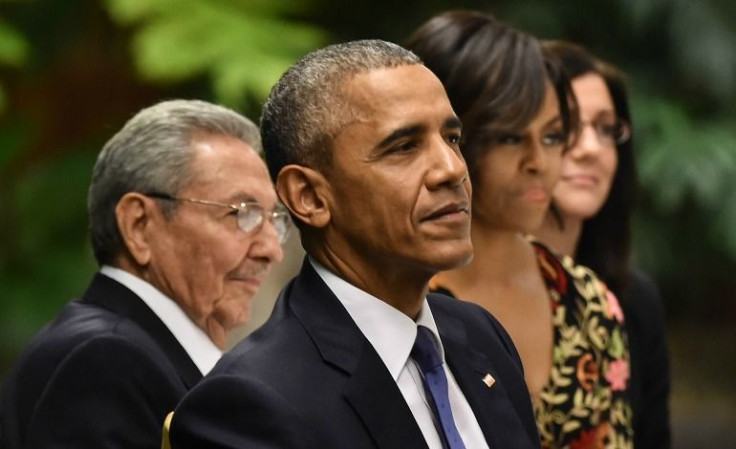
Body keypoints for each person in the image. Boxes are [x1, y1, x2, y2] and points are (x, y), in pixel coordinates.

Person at [169, 39, 542, 449]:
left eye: (452, 139)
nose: (452, 170)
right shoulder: (248, 404)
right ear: (309, 197)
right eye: (403, 147)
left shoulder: (479, 335)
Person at [0, 99, 288, 448]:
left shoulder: (135, 354)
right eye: (242, 213)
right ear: (139, 225)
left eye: (274, 220)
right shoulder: (106, 362)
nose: (272, 250)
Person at [406, 11, 633, 448]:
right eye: (510, 137)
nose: (538, 162)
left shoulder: (588, 303)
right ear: (450, 139)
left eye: (550, 137)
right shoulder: (400, 300)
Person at [535, 40, 672, 448]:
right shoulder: (454, 295)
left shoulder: (633, 298)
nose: (591, 149)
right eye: (566, 128)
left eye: (606, 128)